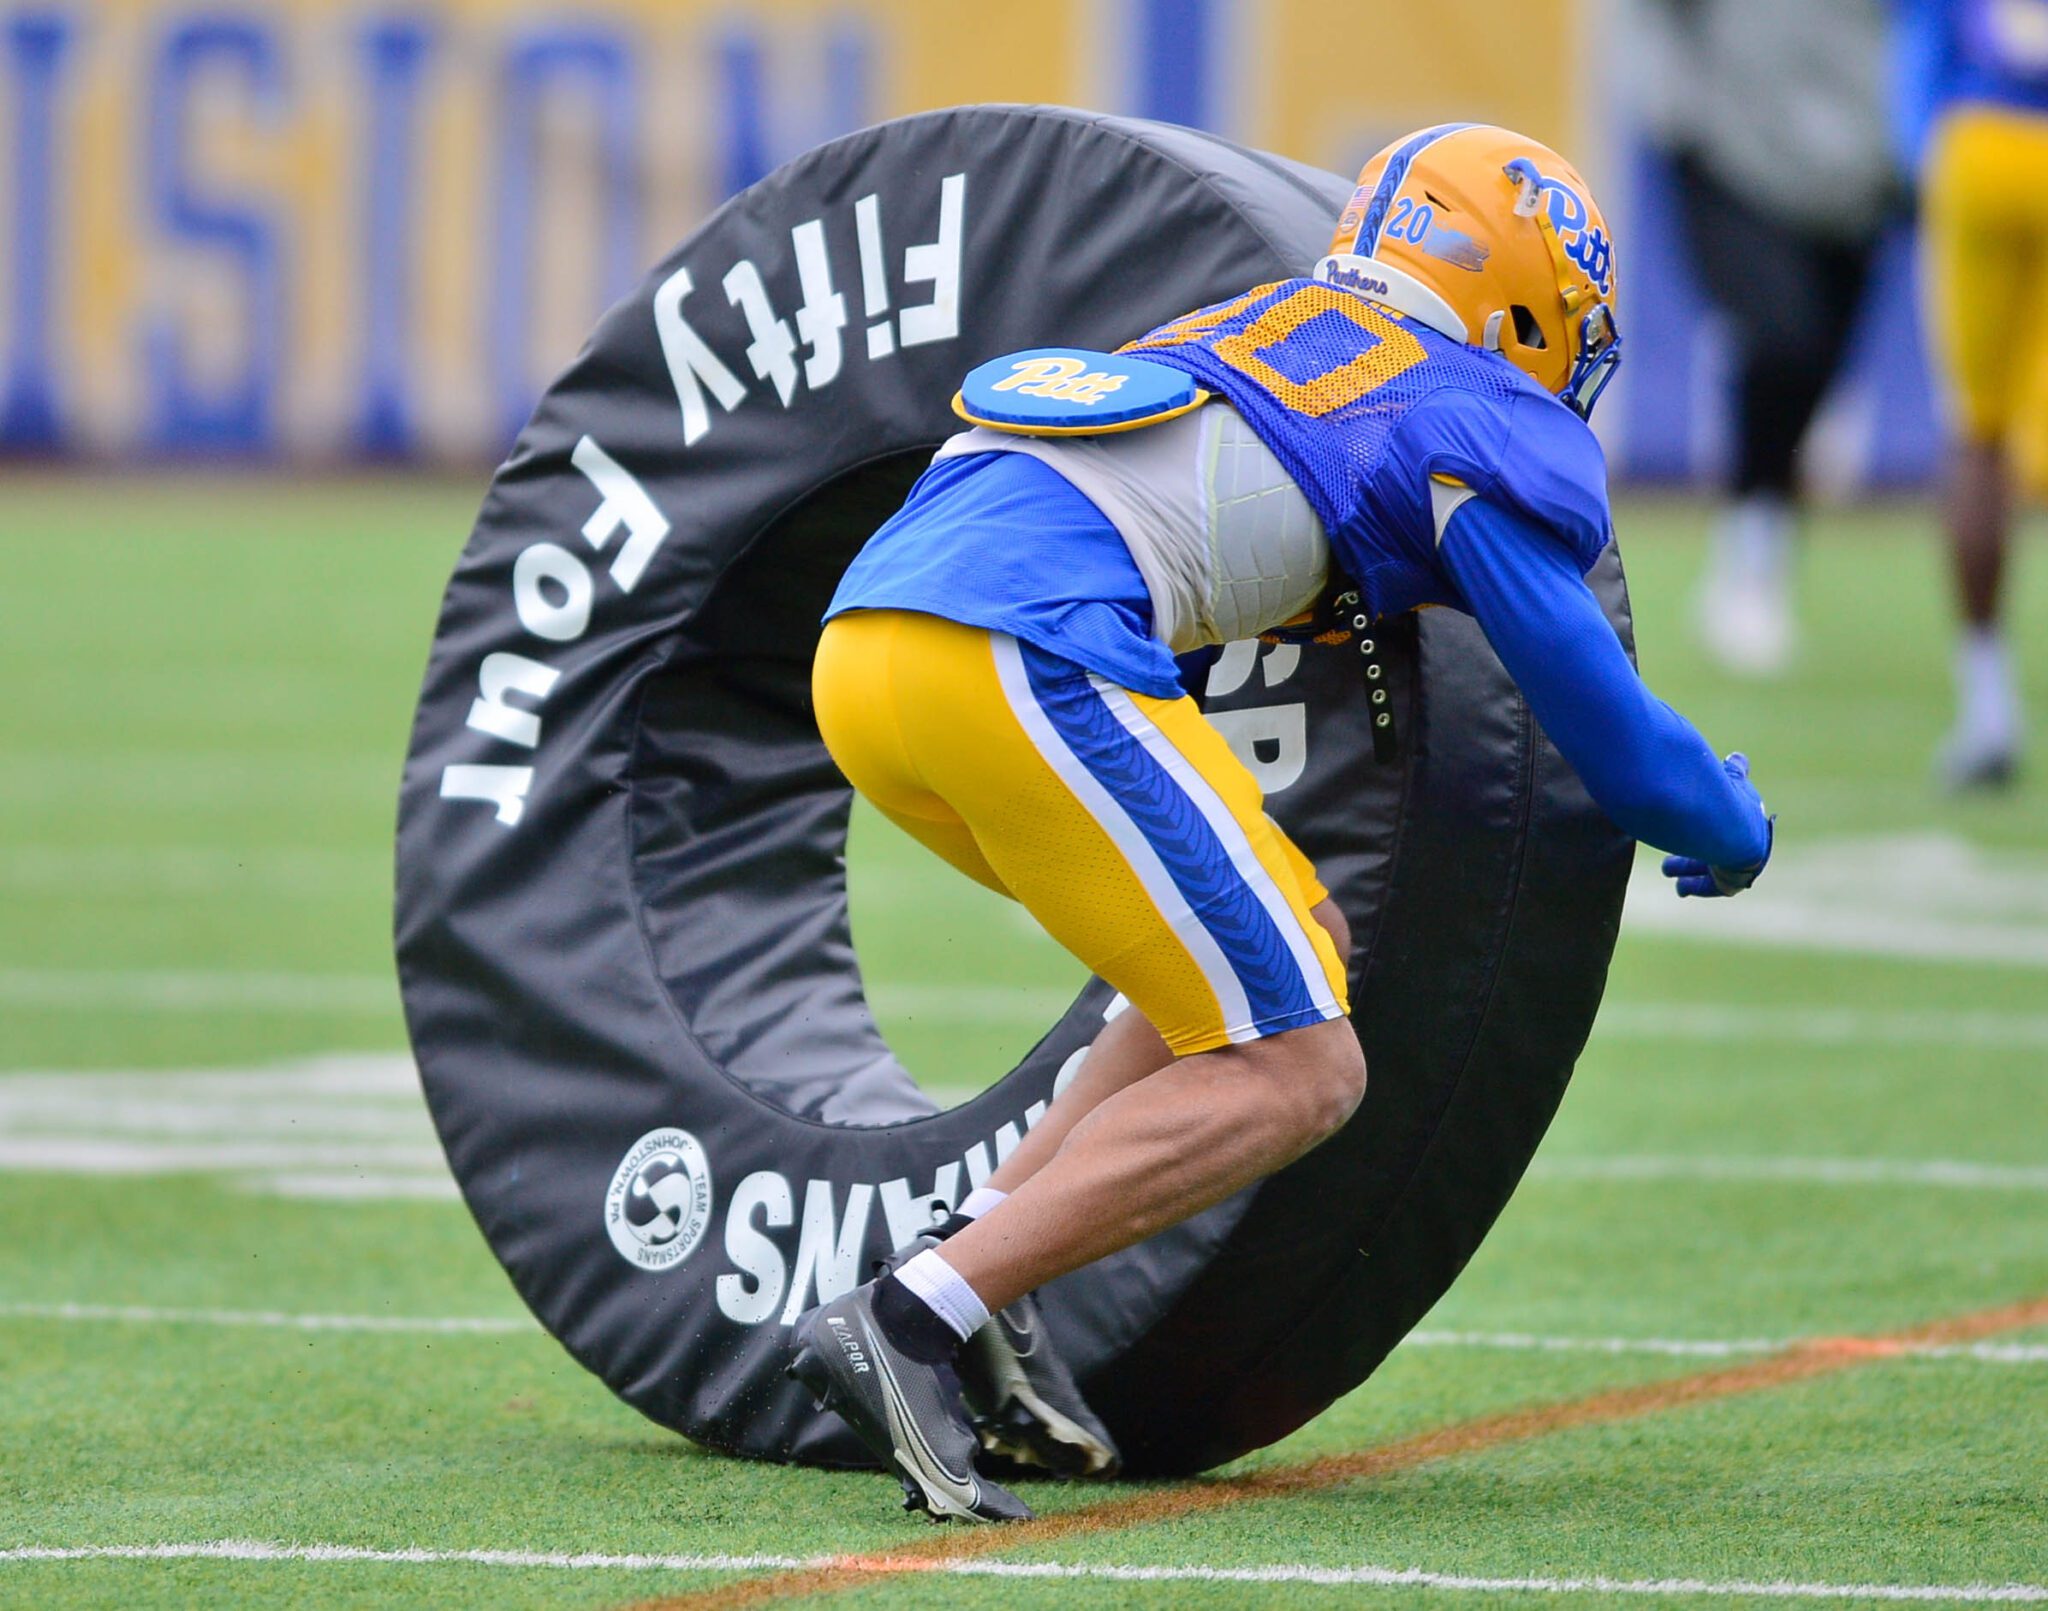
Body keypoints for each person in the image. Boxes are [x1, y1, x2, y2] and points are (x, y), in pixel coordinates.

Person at [791, 124, 1775, 1523]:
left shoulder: (1255, 319)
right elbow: (1620, 745)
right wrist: (1725, 815)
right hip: (1023, 645)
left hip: (871, 652)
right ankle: (914, 1313)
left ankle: (978, 1275)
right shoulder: (1471, 412)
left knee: (1274, 939)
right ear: (1522, 302)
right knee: (1302, 1067)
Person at [1628, 0, 1903, 676]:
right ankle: (1749, 558)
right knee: (1781, 339)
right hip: (1739, 148)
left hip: (1859, 168)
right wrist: (1676, 112)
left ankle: (1763, 541)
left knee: (1818, 370)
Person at [1898, 0, 2041, 788]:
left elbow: (1920, 36)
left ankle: (1989, 705)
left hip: (1981, 139)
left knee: (1978, 432)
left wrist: (1922, 148)